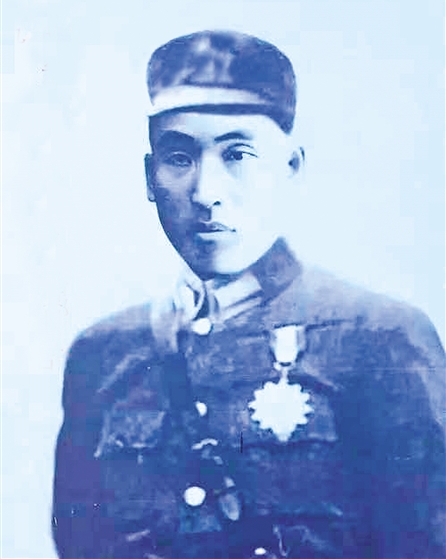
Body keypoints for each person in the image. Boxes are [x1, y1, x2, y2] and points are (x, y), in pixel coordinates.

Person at [52, 30, 446, 559]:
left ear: (291, 166)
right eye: (179, 157)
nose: (206, 192)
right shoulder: (102, 356)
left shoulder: (380, 339)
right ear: (149, 177)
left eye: (237, 154)